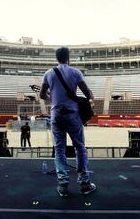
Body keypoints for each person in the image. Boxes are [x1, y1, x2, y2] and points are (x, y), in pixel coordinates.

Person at [39, 47, 96, 197]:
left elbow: (41, 95)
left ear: (56, 58)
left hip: (56, 115)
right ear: (68, 58)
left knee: (59, 149)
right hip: (72, 114)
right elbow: (88, 94)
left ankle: (63, 185)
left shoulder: (48, 73)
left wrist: (52, 98)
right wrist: (90, 97)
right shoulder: (75, 72)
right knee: (80, 147)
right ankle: (84, 184)